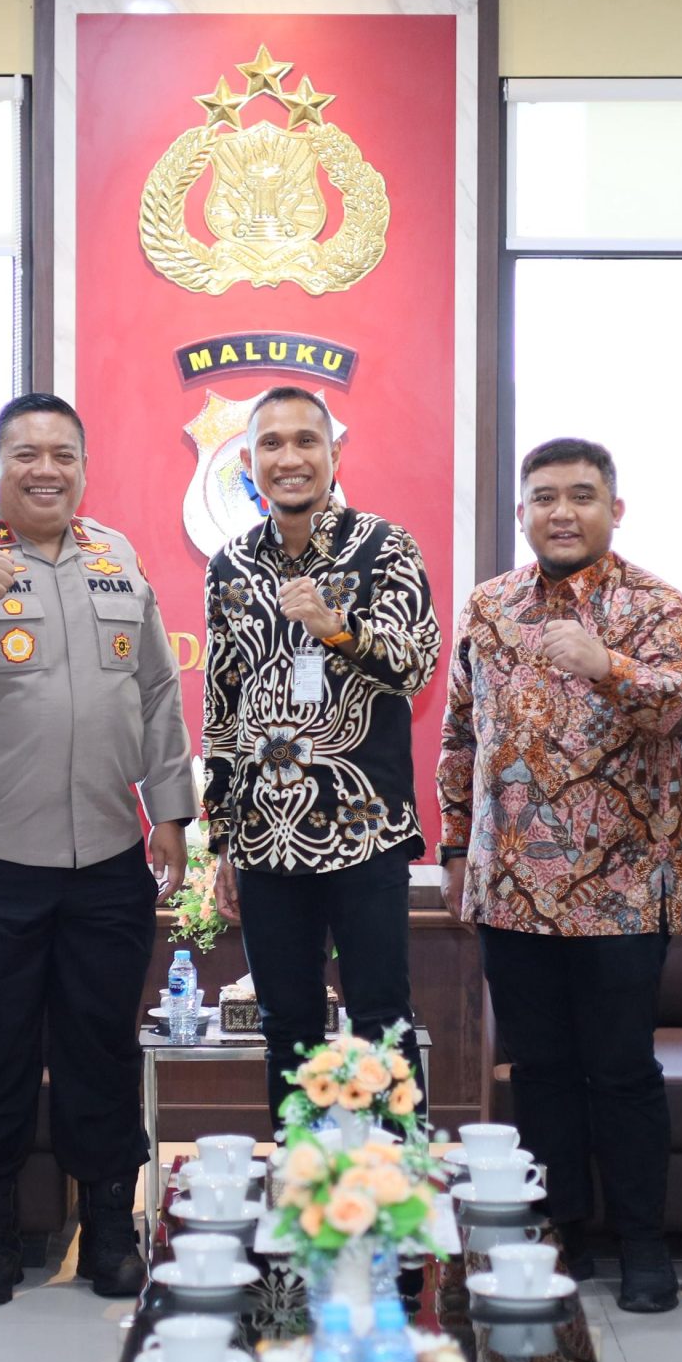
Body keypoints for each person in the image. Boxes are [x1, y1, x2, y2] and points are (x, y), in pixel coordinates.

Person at [0, 393, 193, 1307]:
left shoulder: (116, 558)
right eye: (26, 453)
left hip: (106, 854)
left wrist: (171, 811)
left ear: (84, 468)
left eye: (63, 453)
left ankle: (109, 1231)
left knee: (102, 1045)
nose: (45, 469)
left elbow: (157, 691)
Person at [438, 437, 682, 1314]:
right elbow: (460, 734)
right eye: (545, 496)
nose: (563, 511)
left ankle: (642, 1245)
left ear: (614, 509)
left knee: (621, 1071)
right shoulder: (490, 606)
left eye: (582, 495)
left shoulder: (656, 605)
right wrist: (454, 849)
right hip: (512, 887)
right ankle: (562, 1233)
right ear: (522, 512)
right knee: (540, 1071)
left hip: (622, 889)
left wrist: (606, 665)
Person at [203, 386, 441, 1130]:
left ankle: (394, 1189)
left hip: (363, 828)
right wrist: (224, 839)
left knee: (380, 1020)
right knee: (287, 1025)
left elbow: (417, 663)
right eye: (270, 444)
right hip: (265, 839)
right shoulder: (229, 564)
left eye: (306, 440)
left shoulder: (385, 546)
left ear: (334, 453)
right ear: (248, 461)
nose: (289, 458)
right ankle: (303, 1185)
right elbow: (222, 707)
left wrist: (337, 628)